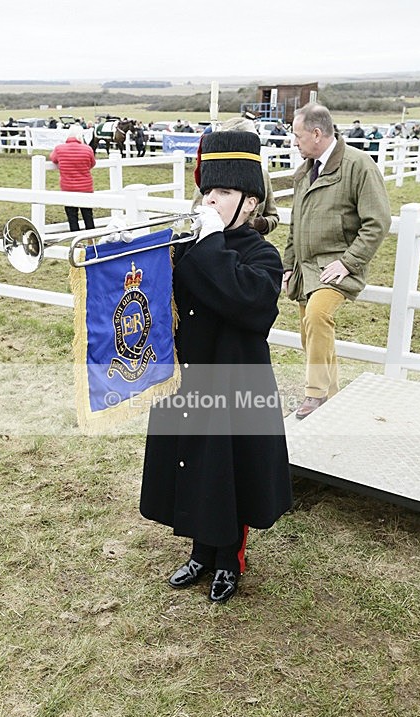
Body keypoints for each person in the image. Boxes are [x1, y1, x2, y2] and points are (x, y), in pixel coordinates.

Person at [140, 130, 292, 603]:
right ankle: (200, 552)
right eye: (207, 190)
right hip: (189, 377)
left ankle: (230, 559)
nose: (210, 200)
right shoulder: (190, 244)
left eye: (223, 192)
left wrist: (207, 242)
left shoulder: (261, 254)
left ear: (250, 202)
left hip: (234, 380)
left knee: (230, 471)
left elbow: (249, 303)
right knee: (194, 465)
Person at [282, 103, 391, 419]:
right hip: (306, 268)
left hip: (337, 266)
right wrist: (288, 266)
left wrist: (348, 262)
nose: (294, 142)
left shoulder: (358, 165)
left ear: (317, 133)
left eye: (298, 136)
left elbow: (378, 221)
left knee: (317, 316)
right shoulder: (305, 171)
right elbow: (295, 225)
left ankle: (315, 394)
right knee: (310, 330)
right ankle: (331, 396)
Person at [191, 117, 280, 235]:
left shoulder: (262, 175)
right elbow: (196, 212)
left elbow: (273, 216)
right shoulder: (211, 175)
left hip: (251, 241)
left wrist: (261, 224)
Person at [49, 124, 96, 231]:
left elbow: (53, 158)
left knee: (72, 216)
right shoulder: (87, 149)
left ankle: (76, 238)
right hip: (85, 188)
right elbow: (92, 164)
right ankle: (91, 238)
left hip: (68, 187)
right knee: (88, 215)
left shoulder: (59, 149)